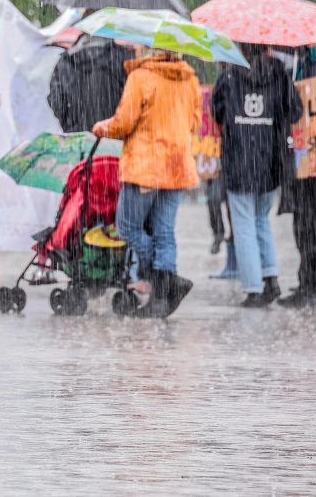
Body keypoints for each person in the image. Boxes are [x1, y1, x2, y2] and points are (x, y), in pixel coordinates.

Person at [92, 48, 201, 318]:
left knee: (128, 227)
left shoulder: (141, 77)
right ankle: (163, 293)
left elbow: (124, 123)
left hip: (147, 165)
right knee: (164, 231)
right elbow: (194, 123)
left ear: (149, 49)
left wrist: (100, 127)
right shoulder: (190, 79)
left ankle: (165, 281)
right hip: (177, 165)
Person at [212, 44, 302, 307]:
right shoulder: (279, 74)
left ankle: (253, 288)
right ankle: (271, 277)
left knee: (243, 225)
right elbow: (295, 112)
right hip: (271, 162)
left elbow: (217, 113)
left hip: (239, 160)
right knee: (261, 220)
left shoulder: (229, 76)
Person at [281, 45, 316, 307]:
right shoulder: (299, 64)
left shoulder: (306, 67)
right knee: (303, 224)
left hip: (308, 160)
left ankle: (308, 284)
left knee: (306, 224)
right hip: (304, 156)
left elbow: (296, 111)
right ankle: (307, 281)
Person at [48, 31, 135, 133]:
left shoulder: (66, 62)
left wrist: (71, 125)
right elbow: (136, 97)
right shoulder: (124, 58)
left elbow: (56, 100)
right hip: (117, 135)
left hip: (79, 136)